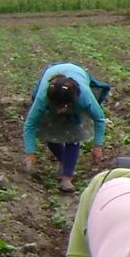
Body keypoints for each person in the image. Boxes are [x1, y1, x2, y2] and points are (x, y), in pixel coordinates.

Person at [23, 63, 108, 192]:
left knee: (73, 137)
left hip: (77, 75)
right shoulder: (43, 97)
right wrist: (30, 152)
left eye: (63, 107)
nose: (59, 111)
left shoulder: (84, 97)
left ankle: (67, 178)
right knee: (49, 134)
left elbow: (99, 119)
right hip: (53, 75)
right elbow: (30, 124)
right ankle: (64, 161)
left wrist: (98, 146)